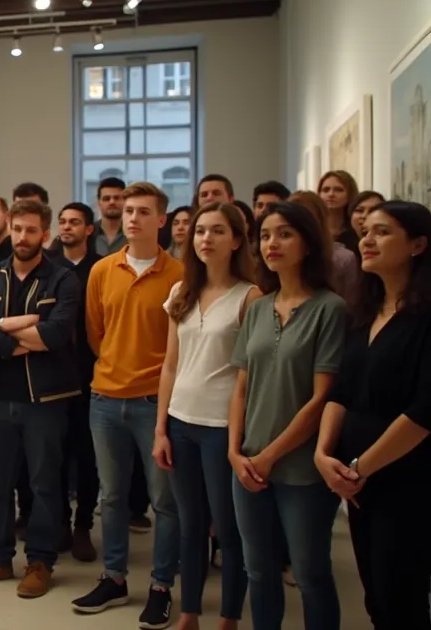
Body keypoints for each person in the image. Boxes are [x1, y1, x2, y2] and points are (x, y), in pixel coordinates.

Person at [73, 182, 184, 630]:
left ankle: (160, 586)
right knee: (112, 496)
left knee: (164, 501)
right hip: (105, 398)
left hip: (156, 401)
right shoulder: (102, 269)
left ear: (162, 220)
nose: (133, 218)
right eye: (129, 211)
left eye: (144, 212)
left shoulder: (180, 272)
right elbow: (96, 333)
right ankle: (114, 577)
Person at [230, 201, 345, 630]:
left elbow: (321, 399)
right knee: (257, 571)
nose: (272, 243)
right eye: (265, 235)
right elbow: (241, 386)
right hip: (247, 464)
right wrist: (234, 452)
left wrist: (269, 457)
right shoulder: (259, 307)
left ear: (308, 243)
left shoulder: (330, 309)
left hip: (301, 469)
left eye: (284, 234)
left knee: (311, 574)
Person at [317, 201, 431, 629]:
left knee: (402, 597)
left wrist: (360, 467)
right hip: (357, 480)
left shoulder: (424, 318)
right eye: (366, 231)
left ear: (418, 244)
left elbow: (423, 412)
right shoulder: (365, 314)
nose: (367, 240)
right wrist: (324, 454)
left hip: (406, 479)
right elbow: (341, 392)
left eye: (382, 232)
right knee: (376, 598)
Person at [0, 199, 80, 599]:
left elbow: (57, 334)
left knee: (45, 483)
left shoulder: (63, 280)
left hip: (46, 398)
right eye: (18, 229)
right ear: (9, 229)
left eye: (31, 230)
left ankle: (41, 561)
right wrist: (21, 330)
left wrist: (4, 331)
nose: (23, 237)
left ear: (45, 235)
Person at [152, 202, 259, 630]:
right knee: (190, 525)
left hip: (221, 428)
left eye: (217, 231)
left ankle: (229, 617)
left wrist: (237, 437)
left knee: (227, 531)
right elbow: (170, 365)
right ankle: (189, 612)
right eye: (199, 231)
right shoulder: (181, 292)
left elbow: (249, 377)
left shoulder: (250, 296)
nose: (205, 239)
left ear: (236, 240)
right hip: (180, 421)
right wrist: (161, 427)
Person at [51, 202, 102, 562]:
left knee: (87, 456)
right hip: (51, 371)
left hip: (90, 373)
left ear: (89, 229)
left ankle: (83, 525)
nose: (67, 228)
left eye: (75, 223)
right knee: (53, 455)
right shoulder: (48, 267)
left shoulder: (101, 268)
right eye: (63, 222)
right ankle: (60, 523)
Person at [318, 170, 360, 254]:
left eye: (338, 190)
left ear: (350, 194)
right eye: (325, 190)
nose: (331, 194)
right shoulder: (314, 228)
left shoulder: (357, 229)